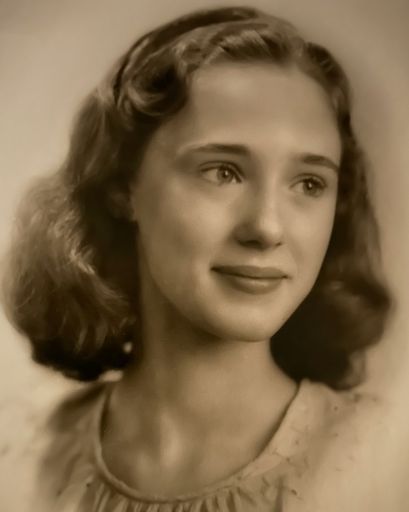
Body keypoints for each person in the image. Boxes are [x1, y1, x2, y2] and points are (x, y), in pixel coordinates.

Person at [1, 6, 392, 511]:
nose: (267, 228)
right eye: (223, 172)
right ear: (123, 185)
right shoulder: (21, 461)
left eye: (309, 183)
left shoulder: (385, 460)